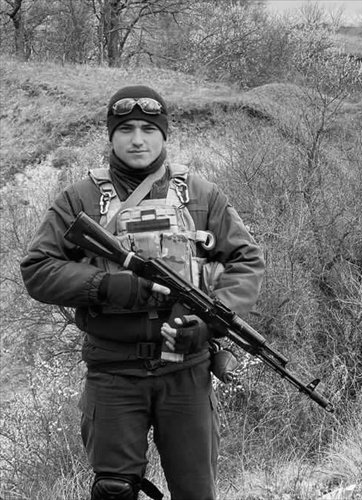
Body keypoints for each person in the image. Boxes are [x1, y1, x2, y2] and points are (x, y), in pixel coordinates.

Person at [20, 85, 265, 500]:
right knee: (114, 490)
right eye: (126, 129)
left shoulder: (200, 194)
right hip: (113, 371)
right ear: (111, 135)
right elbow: (37, 268)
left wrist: (208, 324)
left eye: (149, 129)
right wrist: (106, 286)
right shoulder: (80, 198)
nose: (138, 139)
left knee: (196, 492)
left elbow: (247, 260)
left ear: (163, 134)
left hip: (186, 370)